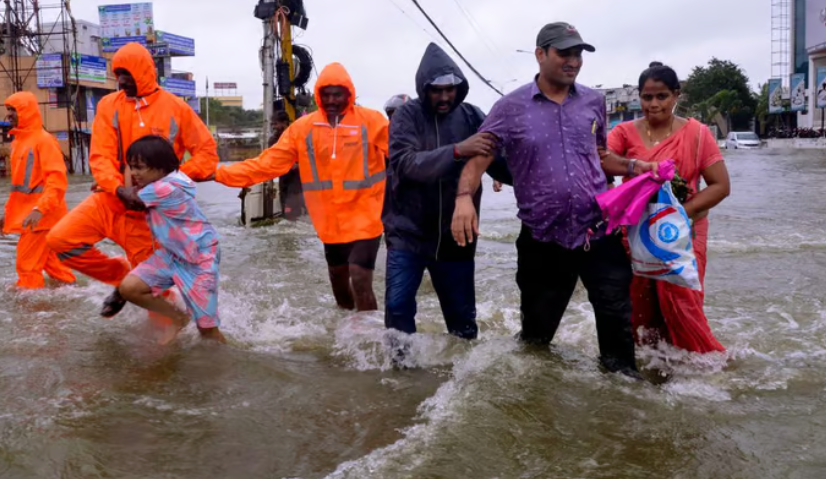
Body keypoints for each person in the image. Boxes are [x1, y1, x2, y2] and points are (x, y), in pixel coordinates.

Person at [451, 22, 659, 377]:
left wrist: (638, 166)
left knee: (616, 325)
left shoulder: (594, 101)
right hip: (543, 242)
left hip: (599, 233)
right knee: (536, 339)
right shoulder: (509, 107)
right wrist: (463, 198)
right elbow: (481, 157)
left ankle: (623, 404)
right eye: (564, 53)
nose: (573, 61)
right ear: (541, 54)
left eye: (578, 54)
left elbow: (599, 155)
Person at [46, 42, 219, 319]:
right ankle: (122, 278)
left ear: (144, 72)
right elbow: (100, 157)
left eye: (127, 74)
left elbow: (207, 155)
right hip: (111, 200)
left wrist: (167, 187)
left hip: (151, 214)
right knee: (59, 240)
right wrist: (119, 189)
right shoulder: (108, 105)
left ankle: (175, 320)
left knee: (156, 307)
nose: (122, 81)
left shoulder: (177, 108)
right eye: (118, 74)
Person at [214, 62, 389, 312]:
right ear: (318, 95)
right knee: (339, 284)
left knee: (361, 279)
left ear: (349, 94)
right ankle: (349, 330)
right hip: (330, 223)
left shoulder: (372, 122)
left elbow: (404, 154)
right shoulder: (303, 129)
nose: (331, 100)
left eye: (337, 94)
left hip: (366, 217)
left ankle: (370, 337)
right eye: (326, 94)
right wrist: (219, 173)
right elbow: (268, 164)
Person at [384, 42, 512, 341]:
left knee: (462, 322)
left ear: (460, 87)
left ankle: (463, 380)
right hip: (407, 233)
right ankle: (398, 376)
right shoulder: (406, 117)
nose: (444, 97)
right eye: (436, 90)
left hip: (457, 236)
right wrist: (458, 150)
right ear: (423, 88)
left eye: (450, 89)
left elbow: (499, 163)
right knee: (397, 307)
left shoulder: (472, 116)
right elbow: (405, 164)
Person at [607, 62, 730, 354]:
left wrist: (675, 215)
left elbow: (720, 186)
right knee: (639, 303)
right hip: (637, 233)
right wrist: (633, 170)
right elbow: (602, 162)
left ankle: (703, 365)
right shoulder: (624, 132)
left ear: (676, 96)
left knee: (682, 300)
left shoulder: (698, 134)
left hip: (685, 230)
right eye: (647, 97)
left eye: (661, 96)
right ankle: (650, 365)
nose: (653, 104)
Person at [116, 136, 225, 344]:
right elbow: (131, 193)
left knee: (207, 331)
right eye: (131, 167)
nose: (134, 173)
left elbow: (131, 200)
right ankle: (178, 317)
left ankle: (225, 371)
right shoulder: (170, 178)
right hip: (173, 253)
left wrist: (112, 185)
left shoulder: (164, 188)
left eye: (139, 167)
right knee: (130, 288)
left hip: (199, 258)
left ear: (160, 166)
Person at [0, 91, 75, 289]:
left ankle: (31, 314)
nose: (9, 116)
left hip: (41, 218)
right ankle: (74, 297)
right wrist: (7, 217)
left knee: (27, 267)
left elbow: (57, 181)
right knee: (55, 268)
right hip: (39, 217)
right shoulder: (19, 143)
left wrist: (40, 209)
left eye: (14, 111)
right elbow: (19, 189)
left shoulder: (43, 141)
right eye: (8, 111)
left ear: (26, 113)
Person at [269, 110, 305, 221]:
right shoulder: (273, 140)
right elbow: (271, 157)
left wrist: (298, 165)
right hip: (283, 177)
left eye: (276, 123)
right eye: (273, 124)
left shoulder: (297, 136)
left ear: (285, 123)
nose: (274, 127)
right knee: (285, 207)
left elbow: (307, 155)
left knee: (293, 209)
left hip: (297, 179)